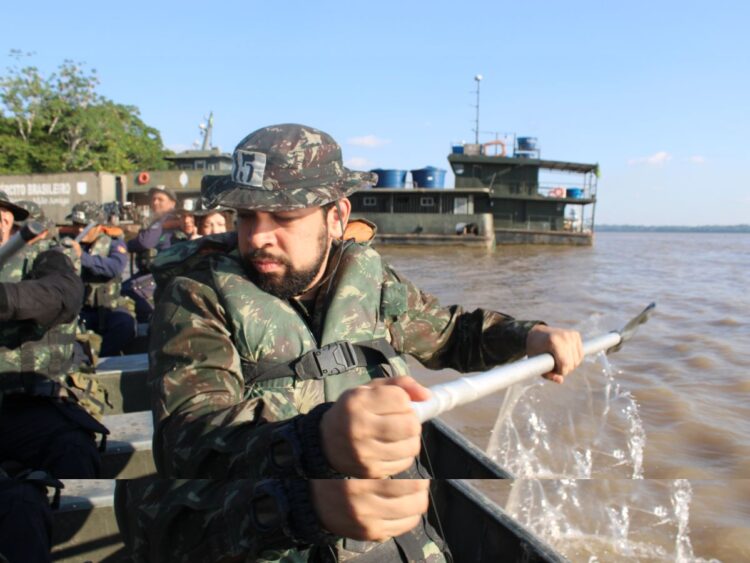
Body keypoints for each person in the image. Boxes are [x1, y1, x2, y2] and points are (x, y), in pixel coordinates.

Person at [116, 124, 583, 562]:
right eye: (246, 216)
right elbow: (189, 441)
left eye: (283, 215)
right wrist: (312, 456)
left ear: (336, 216)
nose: (258, 237)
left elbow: (452, 334)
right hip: (274, 532)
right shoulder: (196, 297)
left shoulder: (371, 284)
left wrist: (528, 335)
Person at [0, 193, 108, 563]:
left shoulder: (42, 258)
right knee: (18, 504)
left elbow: (64, 293)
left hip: (26, 405)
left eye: (2, 217)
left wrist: (4, 299)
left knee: (74, 449)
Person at [66, 201, 137, 357]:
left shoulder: (114, 244)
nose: (78, 230)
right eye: (75, 225)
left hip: (110, 306)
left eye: (83, 226)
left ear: (97, 227)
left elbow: (114, 267)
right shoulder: (69, 244)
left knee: (125, 326)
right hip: (82, 309)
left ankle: (102, 357)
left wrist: (82, 257)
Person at [121, 186, 181, 322]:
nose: (155, 203)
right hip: (149, 271)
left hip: (163, 273)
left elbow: (145, 242)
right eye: (153, 199)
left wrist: (126, 245)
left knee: (129, 291)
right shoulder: (158, 220)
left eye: (160, 199)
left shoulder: (168, 220)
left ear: (172, 203)